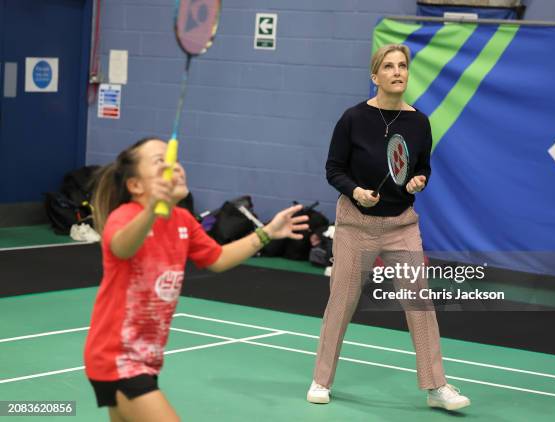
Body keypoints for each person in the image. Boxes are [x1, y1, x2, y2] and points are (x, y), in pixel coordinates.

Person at [83, 137, 308, 422]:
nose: (173, 167)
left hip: (146, 359)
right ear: (135, 186)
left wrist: (267, 233)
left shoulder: (182, 220)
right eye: (159, 162)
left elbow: (217, 258)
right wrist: (153, 209)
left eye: (174, 160)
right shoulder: (125, 216)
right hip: (116, 356)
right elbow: (122, 246)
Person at [307, 44, 470, 411]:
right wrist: (356, 192)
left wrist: (418, 182)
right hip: (355, 224)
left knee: (420, 304)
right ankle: (321, 378)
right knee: (341, 303)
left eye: (402, 66)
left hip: (401, 225)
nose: (397, 72)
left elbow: (422, 167)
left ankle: (436, 387)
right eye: (389, 66)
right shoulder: (352, 118)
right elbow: (334, 169)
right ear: (375, 76)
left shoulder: (419, 123)